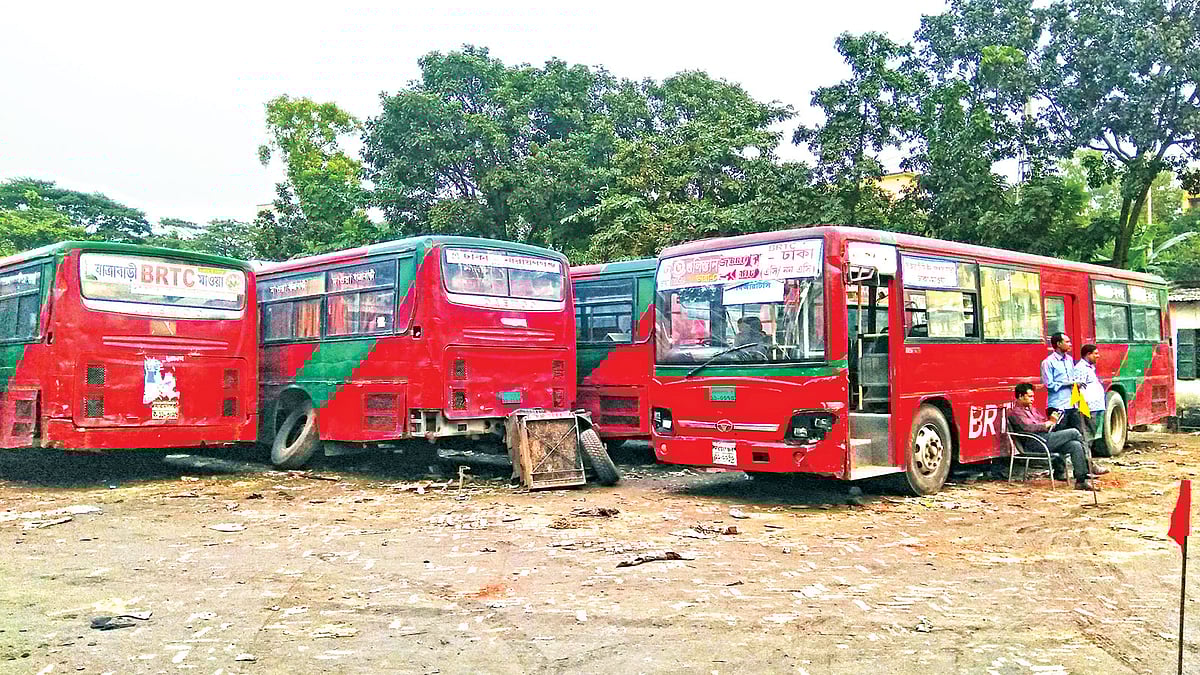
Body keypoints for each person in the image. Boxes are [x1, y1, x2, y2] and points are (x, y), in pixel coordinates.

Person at [1007, 383, 1096, 490]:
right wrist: (1047, 424)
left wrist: (1052, 421)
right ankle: (1089, 462)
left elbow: (1043, 422)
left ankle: (1081, 480)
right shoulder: (1015, 413)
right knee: (1074, 432)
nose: (1032, 399)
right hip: (1035, 442)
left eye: (1033, 396)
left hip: (1046, 438)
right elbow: (1028, 427)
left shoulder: (1032, 409)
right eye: (1030, 396)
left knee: (1075, 445)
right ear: (1020, 396)